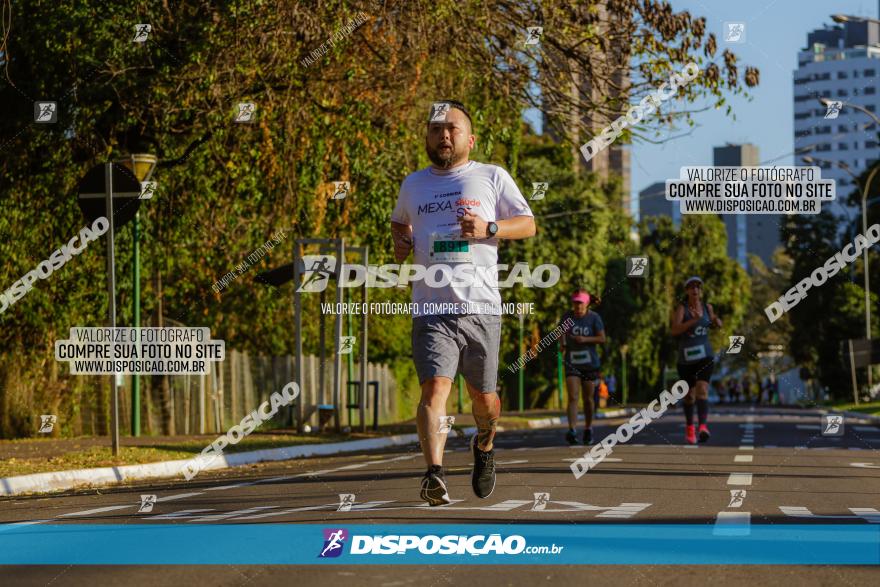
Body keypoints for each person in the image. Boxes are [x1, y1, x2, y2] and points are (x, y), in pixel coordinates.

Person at [390, 99, 536, 506]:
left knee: (484, 401)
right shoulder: (413, 184)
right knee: (434, 389)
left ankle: (485, 447)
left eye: (452, 128)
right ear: (427, 137)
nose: (444, 135)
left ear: (469, 138)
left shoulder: (491, 176)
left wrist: (490, 227)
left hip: (481, 308)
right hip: (431, 308)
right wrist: (400, 240)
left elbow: (528, 224)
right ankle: (434, 473)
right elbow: (399, 220)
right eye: (436, 129)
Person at [670, 276, 722, 444]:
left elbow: (714, 323)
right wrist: (693, 320)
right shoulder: (681, 309)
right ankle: (690, 426)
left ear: (700, 290)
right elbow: (675, 330)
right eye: (691, 287)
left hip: (705, 355)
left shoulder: (707, 307)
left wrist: (716, 321)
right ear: (687, 291)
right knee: (689, 396)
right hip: (686, 359)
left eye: (698, 287)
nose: (695, 290)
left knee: (702, 389)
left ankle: (703, 427)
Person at [559, 290, 606, 445]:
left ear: (586, 304)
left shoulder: (594, 318)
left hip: (590, 364)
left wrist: (584, 339)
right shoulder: (567, 317)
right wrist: (562, 344)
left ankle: (588, 428)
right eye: (575, 303)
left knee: (588, 399)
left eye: (580, 303)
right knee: (573, 396)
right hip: (572, 362)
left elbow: (602, 338)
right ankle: (572, 430)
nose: (577, 306)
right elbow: (560, 332)